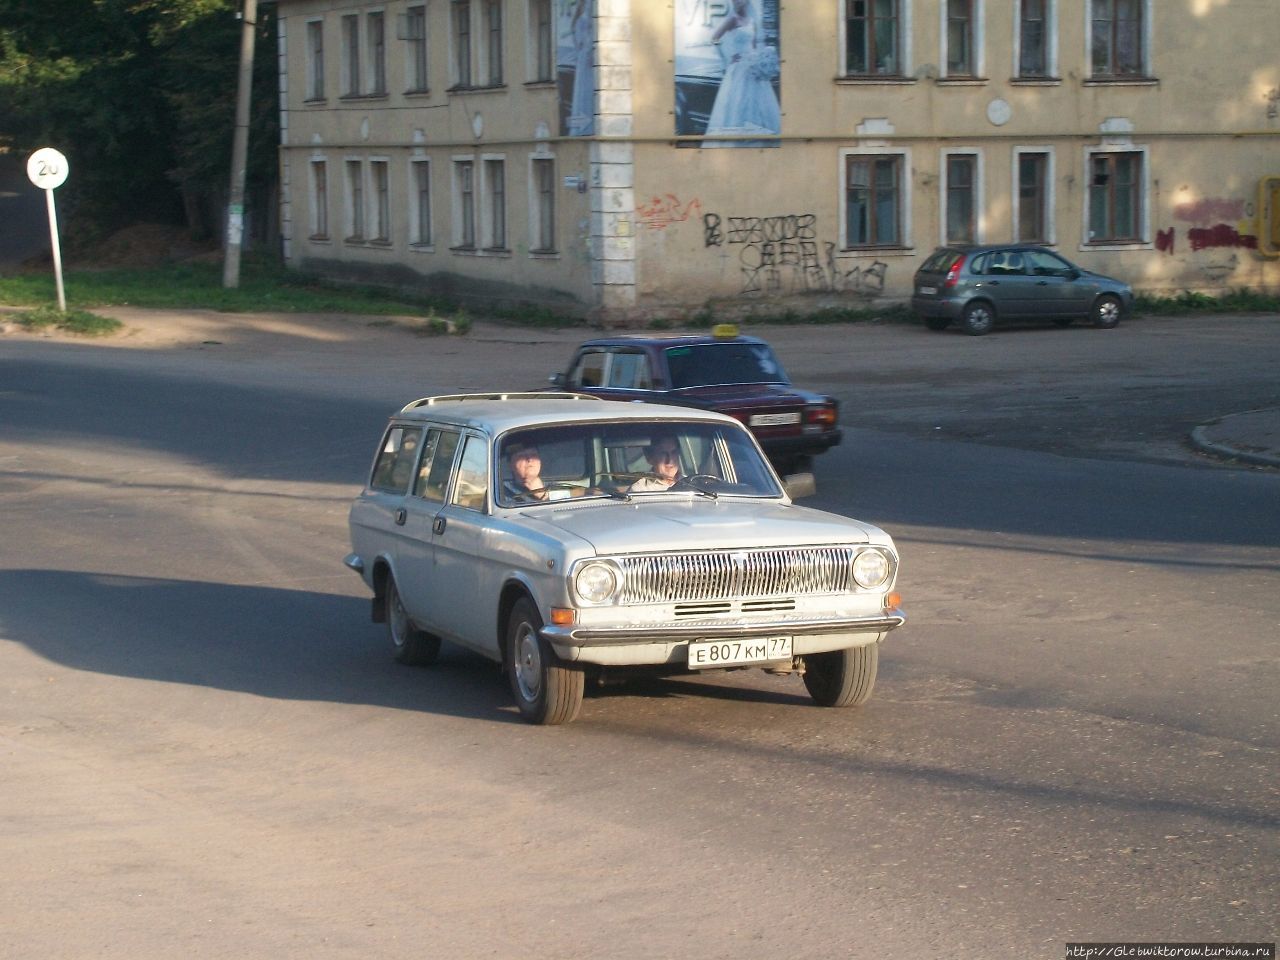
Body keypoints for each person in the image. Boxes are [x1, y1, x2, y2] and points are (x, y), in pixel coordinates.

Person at [702, 0, 780, 148]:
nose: (737, 3)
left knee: (757, 103)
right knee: (737, 102)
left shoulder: (752, 20)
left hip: (752, 68)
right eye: (734, 1)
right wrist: (727, 58)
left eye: (740, 0)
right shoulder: (732, 19)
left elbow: (755, 45)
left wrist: (759, 58)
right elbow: (714, 38)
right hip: (738, 68)